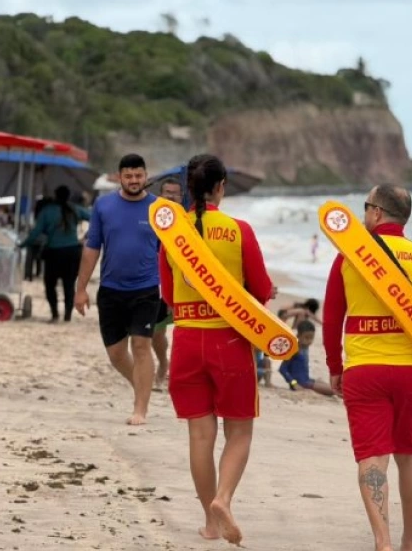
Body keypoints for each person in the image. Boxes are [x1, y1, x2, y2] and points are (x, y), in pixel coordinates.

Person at [323, 184, 412, 551]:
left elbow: (333, 318)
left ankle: (382, 541)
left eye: (365, 207)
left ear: (377, 213)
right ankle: (410, 540)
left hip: (365, 369)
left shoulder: (349, 256)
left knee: (372, 456)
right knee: (411, 452)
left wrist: (335, 366)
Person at [159, 154, 274, 546]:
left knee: (199, 436)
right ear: (221, 186)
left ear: (188, 187)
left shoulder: (173, 234)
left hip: (188, 339)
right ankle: (222, 500)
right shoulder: (239, 230)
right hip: (230, 339)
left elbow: (168, 295)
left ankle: (209, 523)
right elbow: (259, 291)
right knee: (239, 431)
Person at [74, 154, 160, 426]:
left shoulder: (160, 209)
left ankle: (140, 409)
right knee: (116, 354)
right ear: (119, 176)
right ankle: (142, 385)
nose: (134, 180)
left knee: (141, 345)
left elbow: (174, 252)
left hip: (146, 288)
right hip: (110, 289)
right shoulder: (104, 205)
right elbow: (92, 247)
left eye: (139, 175)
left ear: (146, 175)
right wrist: (81, 288)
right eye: (129, 176)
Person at [20, 186, 90, 322]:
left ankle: (55, 314)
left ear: (55, 195)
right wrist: (87, 236)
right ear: (68, 196)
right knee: (69, 285)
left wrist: (23, 244)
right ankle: (67, 315)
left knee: (50, 285)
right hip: (73, 252)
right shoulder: (75, 209)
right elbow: (95, 218)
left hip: (54, 253)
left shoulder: (47, 211)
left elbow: (36, 232)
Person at [151, 177, 184, 389]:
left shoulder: (188, 220)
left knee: (185, 331)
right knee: (157, 331)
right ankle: (163, 362)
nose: (171, 196)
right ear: (160, 195)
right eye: (167, 192)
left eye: (175, 193)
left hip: (184, 283)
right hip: (157, 283)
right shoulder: (153, 219)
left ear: (182, 197)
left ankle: (179, 372)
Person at [278, 320, 334, 396]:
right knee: (332, 391)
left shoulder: (305, 348)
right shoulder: (295, 350)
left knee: (333, 387)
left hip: (307, 380)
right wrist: (294, 384)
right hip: (301, 383)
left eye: (311, 338)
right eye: (306, 338)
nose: (309, 341)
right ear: (298, 336)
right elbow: (282, 369)